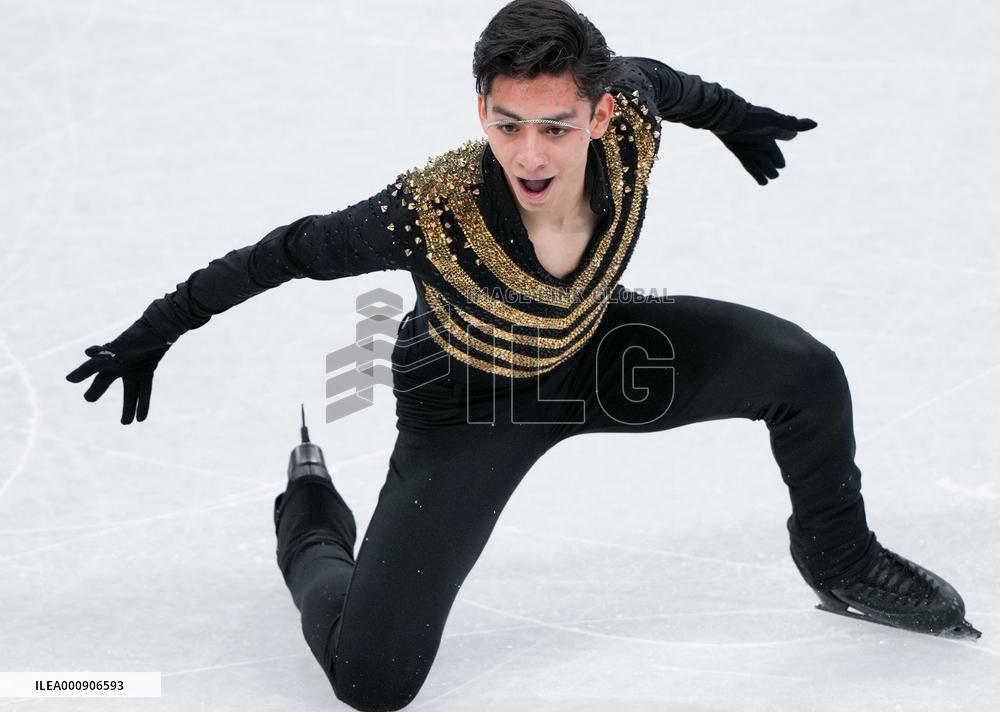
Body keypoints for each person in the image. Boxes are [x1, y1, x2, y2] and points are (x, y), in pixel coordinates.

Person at [65, 0, 981, 709]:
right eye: (507, 125)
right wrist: (156, 330)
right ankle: (308, 518)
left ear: (600, 111)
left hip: (596, 352)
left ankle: (841, 557)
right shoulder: (424, 208)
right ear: (481, 110)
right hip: (465, 406)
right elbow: (284, 251)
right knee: (370, 681)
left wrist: (739, 121)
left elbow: (679, 86)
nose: (531, 154)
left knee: (803, 371)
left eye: (555, 125)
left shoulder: (634, 118)